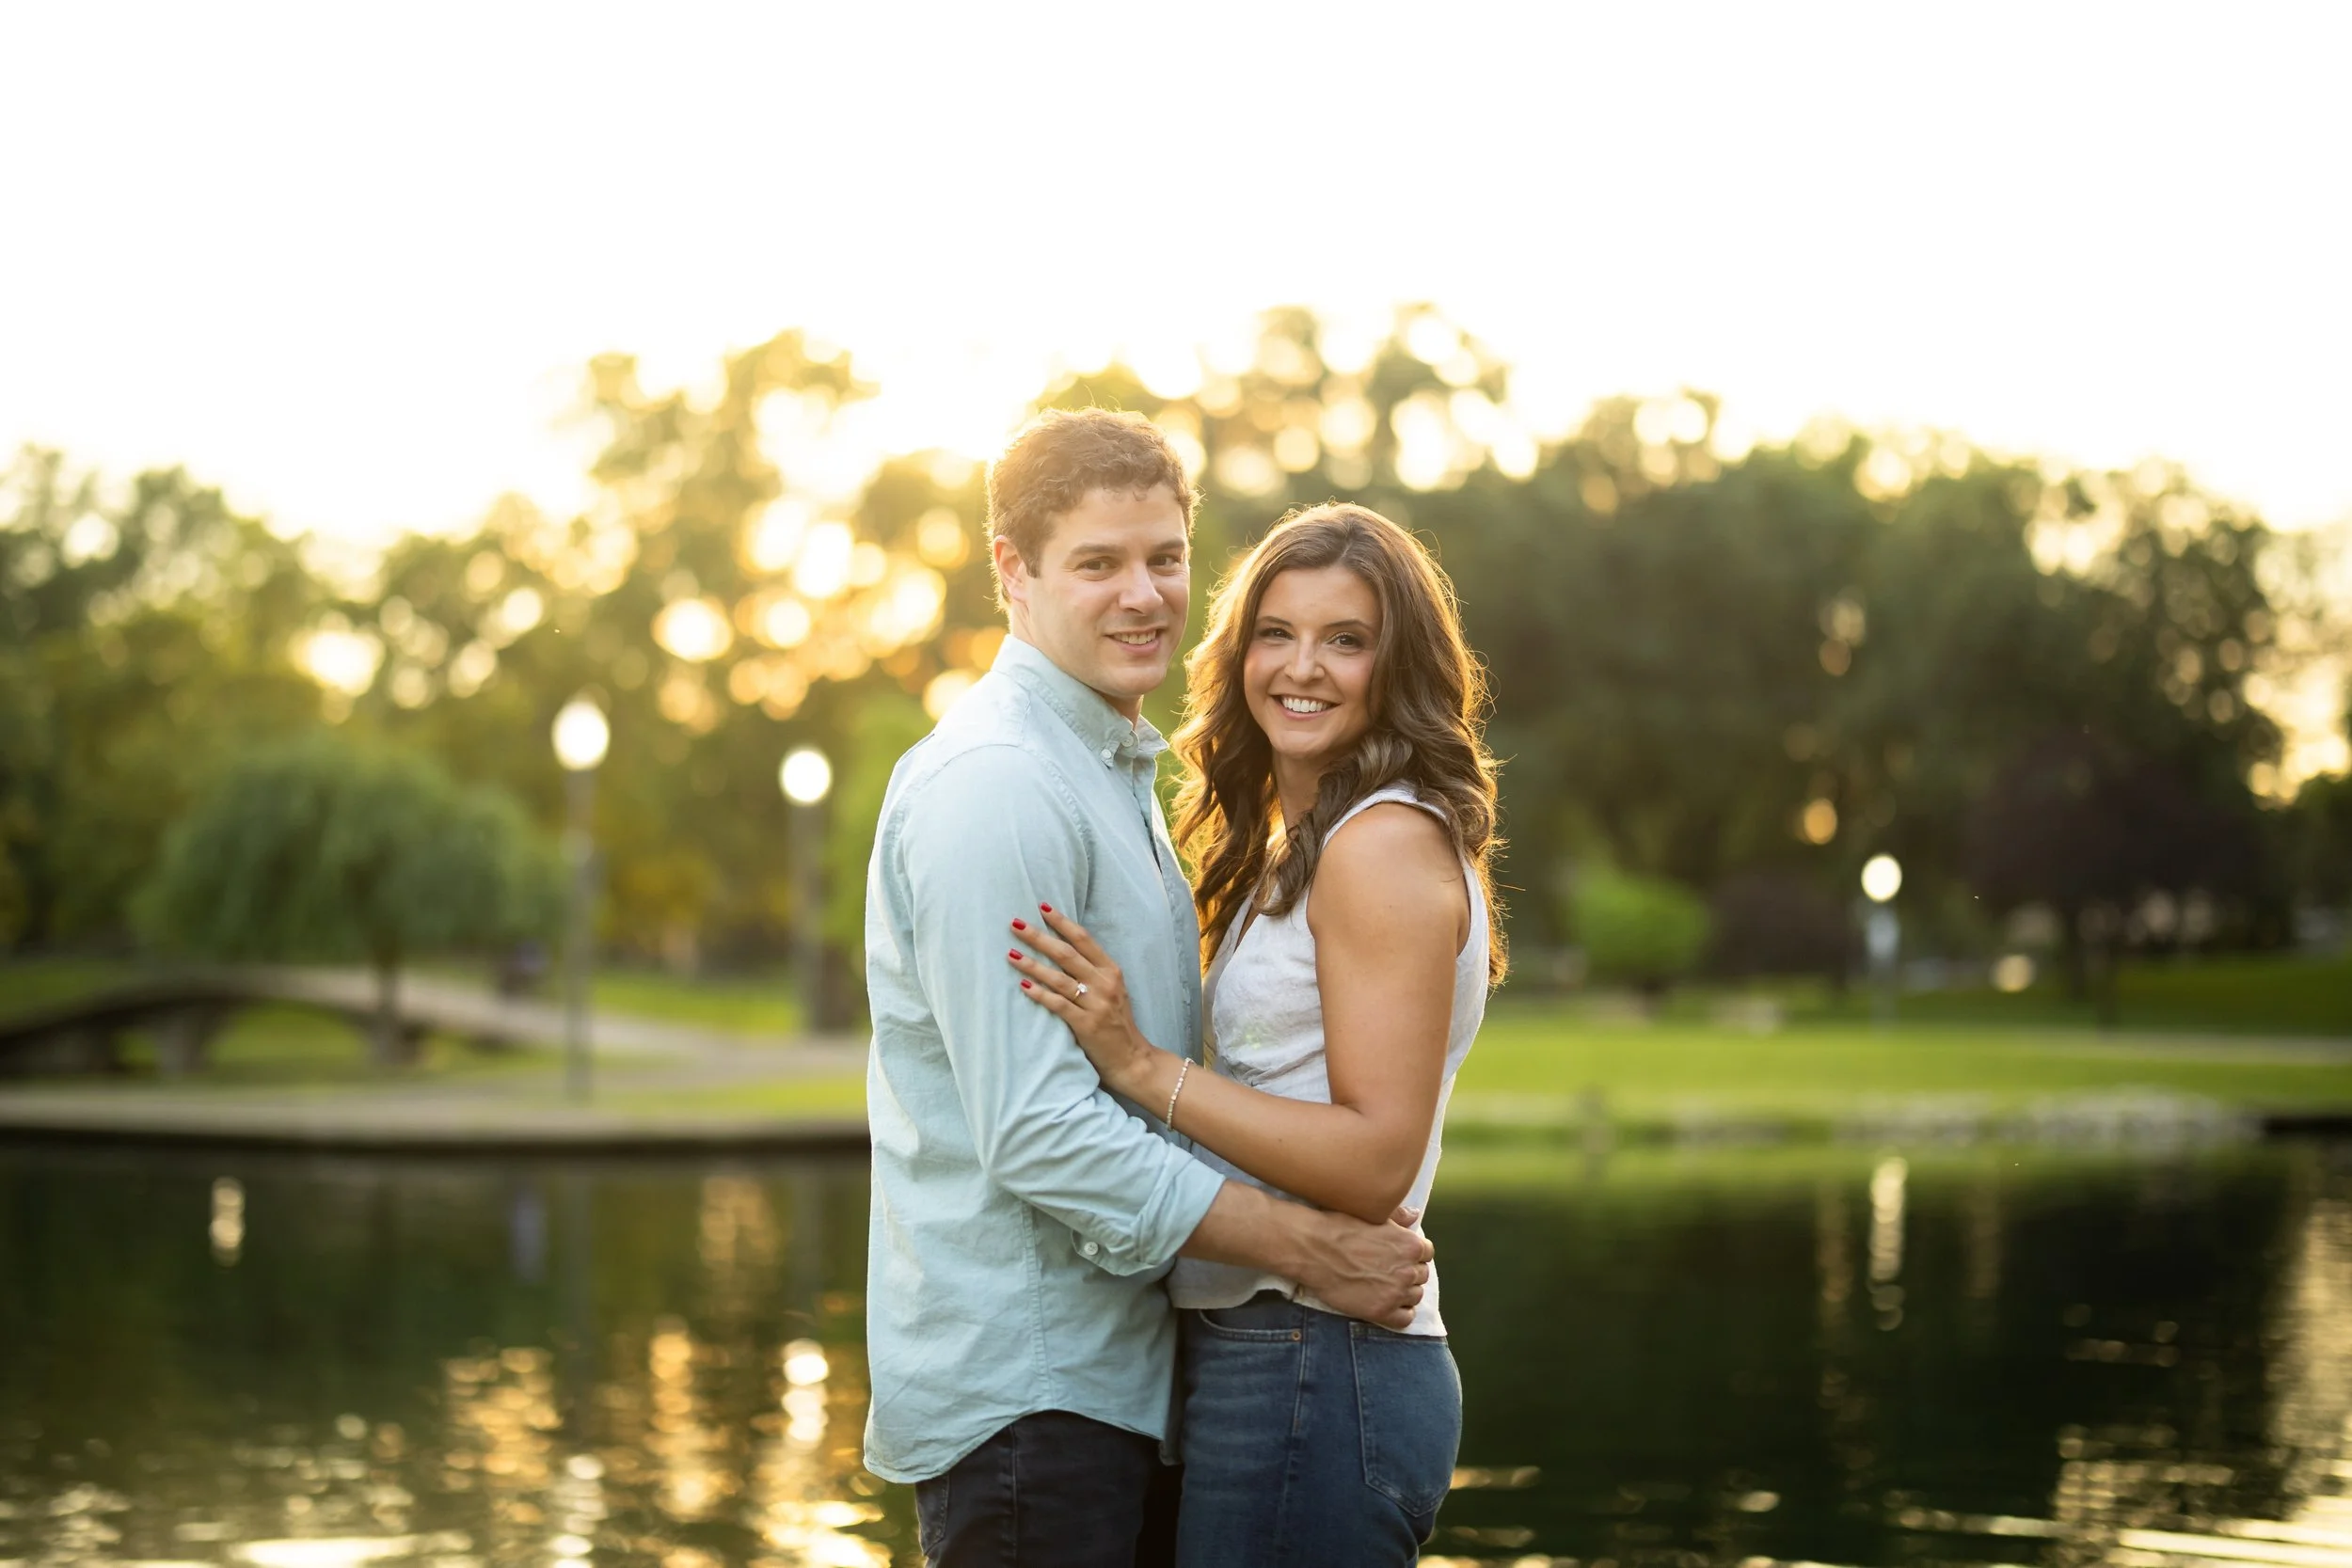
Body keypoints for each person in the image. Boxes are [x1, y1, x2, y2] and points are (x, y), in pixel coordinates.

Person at [863, 413, 1435, 1568]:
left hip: (1118, 1390)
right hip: (1032, 1399)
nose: (1143, 595)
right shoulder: (1001, 785)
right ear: (1012, 571)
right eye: (1098, 563)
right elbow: (1038, 1126)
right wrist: (1305, 1246)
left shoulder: (1105, 771)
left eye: (1164, 557)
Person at [1007, 501, 1505, 1565]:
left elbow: (1375, 1158)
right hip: (1274, 1351)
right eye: (1276, 632)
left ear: (1396, 665)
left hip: (1319, 1358)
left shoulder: (1379, 843)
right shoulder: (1303, 844)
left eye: (1346, 639)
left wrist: (1144, 1067)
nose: (1302, 667)